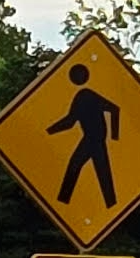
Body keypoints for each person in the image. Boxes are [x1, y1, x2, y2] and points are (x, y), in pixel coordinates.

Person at [48, 61, 121, 209]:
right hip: (91, 139)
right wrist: (49, 131)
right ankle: (110, 204)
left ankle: (64, 202)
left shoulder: (86, 95)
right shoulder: (81, 96)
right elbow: (70, 121)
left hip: (94, 139)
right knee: (98, 172)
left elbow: (114, 109)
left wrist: (114, 136)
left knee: (83, 168)